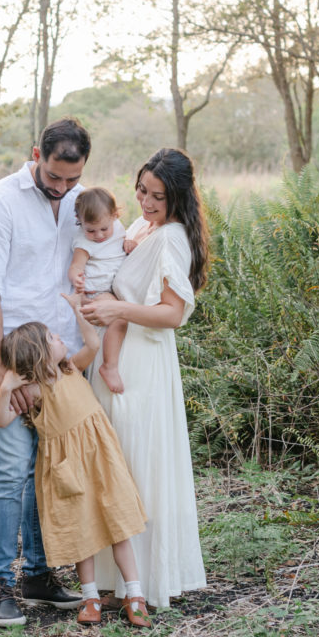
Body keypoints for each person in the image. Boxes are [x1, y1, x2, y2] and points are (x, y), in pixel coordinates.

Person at [0, 117, 91, 626]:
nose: (62, 189)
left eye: (72, 179)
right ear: (35, 156)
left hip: (60, 360)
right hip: (14, 359)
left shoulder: (83, 201)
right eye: (55, 177)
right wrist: (2, 369)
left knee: (48, 465)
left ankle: (39, 576)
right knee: (13, 470)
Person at [81, 147, 209, 609]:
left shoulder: (172, 237)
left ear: (177, 198)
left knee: (136, 463)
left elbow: (172, 313)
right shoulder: (139, 226)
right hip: (113, 356)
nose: (147, 202)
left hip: (142, 364)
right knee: (114, 464)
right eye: (141, 191)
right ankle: (116, 582)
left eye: (158, 196)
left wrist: (116, 309)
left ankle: (145, 580)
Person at [0, 292, 151, 628]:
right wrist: (6, 387)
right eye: (52, 338)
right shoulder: (35, 391)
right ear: (39, 354)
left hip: (100, 457)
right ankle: (90, 596)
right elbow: (2, 421)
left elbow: (93, 343)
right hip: (67, 468)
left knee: (118, 522)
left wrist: (78, 311)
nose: (60, 337)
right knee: (82, 531)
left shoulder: (71, 369)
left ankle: (135, 594)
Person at [67, 187, 137, 394]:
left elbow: (119, 246)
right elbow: (76, 266)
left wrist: (129, 243)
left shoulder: (118, 228)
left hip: (109, 289)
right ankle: (110, 366)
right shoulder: (82, 241)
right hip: (96, 292)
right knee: (121, 318)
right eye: (90, 230)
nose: (98, 236)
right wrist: (76, 278)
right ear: (79, 222)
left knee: (122, 317)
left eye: (104, 229)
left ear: (115, 215)